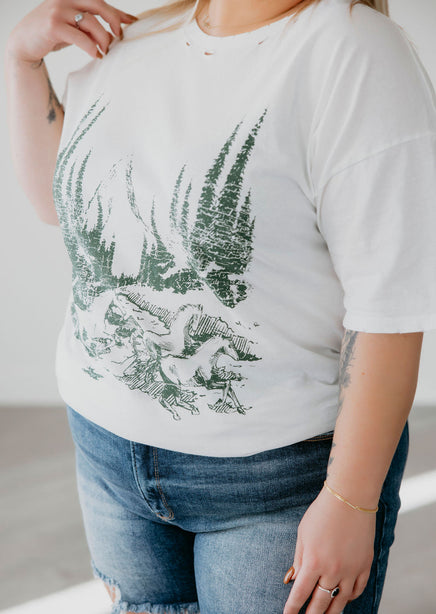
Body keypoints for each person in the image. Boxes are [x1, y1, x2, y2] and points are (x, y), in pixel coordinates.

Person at [5, 0, 436, 612]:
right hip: (107, 458)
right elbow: (57, 202)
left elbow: (388, 310)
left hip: (273, 483)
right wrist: (22, 63)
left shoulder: (353, 51)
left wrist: (351, 500)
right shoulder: (139, 37)